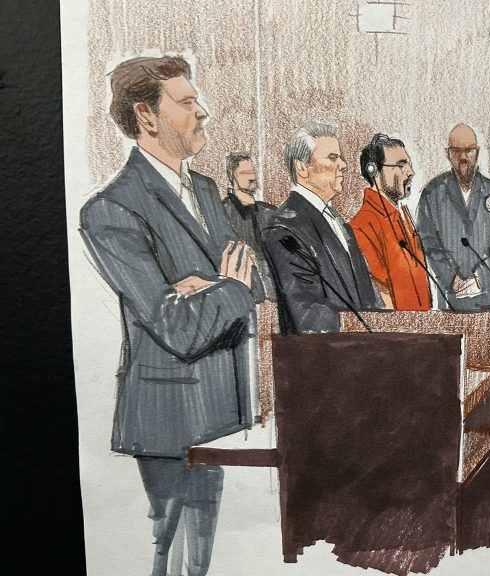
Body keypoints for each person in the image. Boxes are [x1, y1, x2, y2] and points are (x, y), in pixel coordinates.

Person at [79, 55, 262, 576]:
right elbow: (176, 327)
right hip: (167, 421)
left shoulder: (204, 190)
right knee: (170, 558)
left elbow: (256, 282)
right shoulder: (111, 209)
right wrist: (227, 287)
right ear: (147, 117)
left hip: (223, 412)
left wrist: (207, 289)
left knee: (202, 561)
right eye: (186, 102)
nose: (202, 111)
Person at [263, 123, 381, 334]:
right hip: (325, 350)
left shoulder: (339, 224)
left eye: (340, 157)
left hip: (361, 346)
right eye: (332, 158)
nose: (343, 165)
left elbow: (368, 296)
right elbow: (308, 316)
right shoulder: (285, 229)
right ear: (302, 167)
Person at [417, 123, 490, 311]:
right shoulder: (432, 194)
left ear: (477, 153)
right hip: (450, 299)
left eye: (469, 150)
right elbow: (428, 243)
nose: (463, 157)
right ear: (448, 154)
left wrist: (480, 279)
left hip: (488, 299)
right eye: (456, 151)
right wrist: (451, 279)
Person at [349, 133, 432, 310]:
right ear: (373, 171)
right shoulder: (362, 226)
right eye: (401, 165)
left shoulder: (404, 217)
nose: (410, 172)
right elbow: (380, 297)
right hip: (400, 325)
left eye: (408, 164)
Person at [222, 151, 276, 296]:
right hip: (244, 290)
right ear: (232, 175)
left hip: (273, 291)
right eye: (245, 173)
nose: (252, 177)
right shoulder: (222, 212)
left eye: (253, 172)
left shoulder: (269, 212)